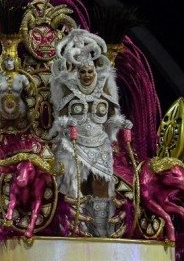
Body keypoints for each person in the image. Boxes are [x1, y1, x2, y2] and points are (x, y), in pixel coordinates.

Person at [50, 29, 130, 237]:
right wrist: (65, 123)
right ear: (77, 72)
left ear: (95, 71)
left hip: (100, 144)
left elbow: (114, 116)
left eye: (90, 71)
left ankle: (100, 230)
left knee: (101, 184)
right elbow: (59, 115)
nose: (86, 75)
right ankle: (76, 227)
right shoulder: (68, 87)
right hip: (72, 144)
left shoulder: (105, 87)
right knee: (73, 184)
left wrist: (120, 124)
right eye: (82, 72)